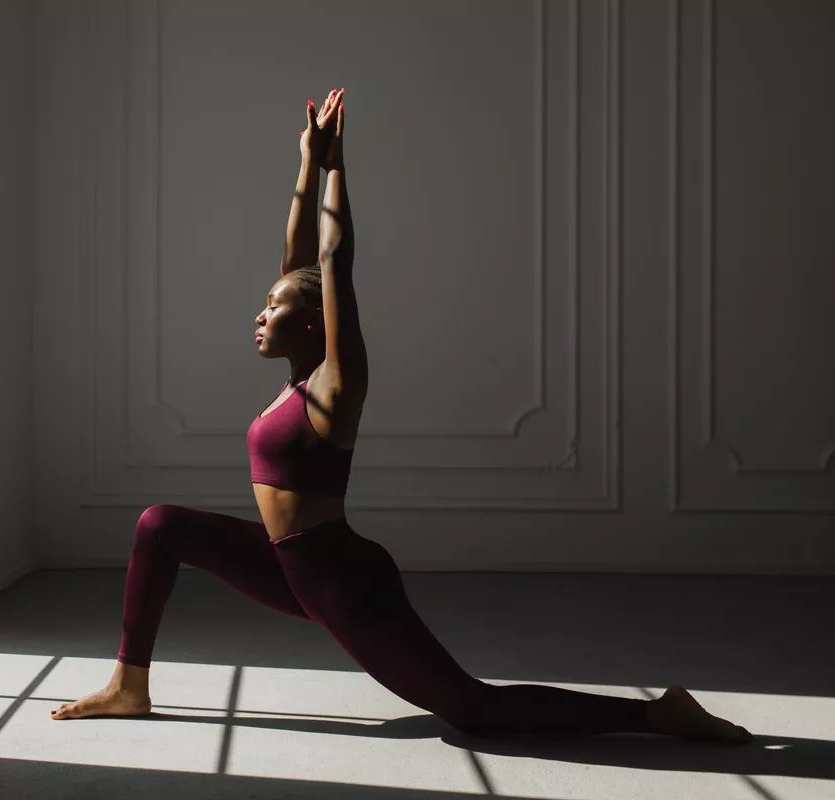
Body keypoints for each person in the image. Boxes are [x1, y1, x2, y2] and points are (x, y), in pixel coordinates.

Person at [51, 89, 751, 743]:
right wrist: (306, 164)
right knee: (159, 524)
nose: (259, 314)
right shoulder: (299, 374)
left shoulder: (334, 385)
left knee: (473, 710)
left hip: (337, 577)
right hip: (289, 564)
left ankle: (661, 715)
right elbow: (298, 257)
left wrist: (338, 171)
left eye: (275, 307)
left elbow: (330, 262)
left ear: (314, 325)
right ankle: (128, 685)